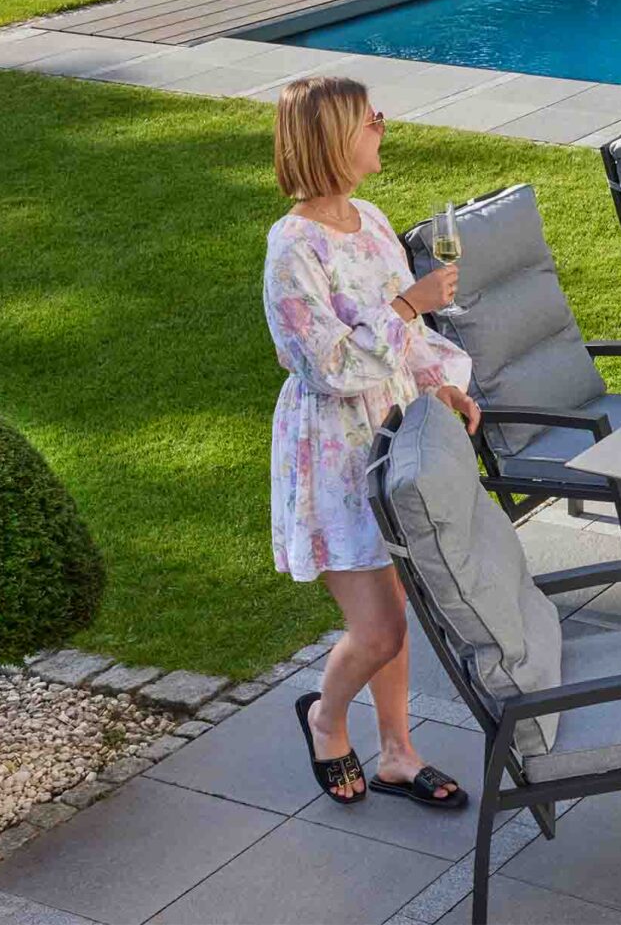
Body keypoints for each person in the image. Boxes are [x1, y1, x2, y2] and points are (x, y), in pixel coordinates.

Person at [263, 75, 480, 809]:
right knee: (380, 626)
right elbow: (326, 367)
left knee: (397, 605)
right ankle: (325, 716)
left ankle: (397, 752)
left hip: (392, 437)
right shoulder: (292, 248)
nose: (382, 127)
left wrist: (440, 384)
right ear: (331, 138)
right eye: (369, 120)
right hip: (336, 452)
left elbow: (406, 341)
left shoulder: (373, 219)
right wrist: (403, 304)